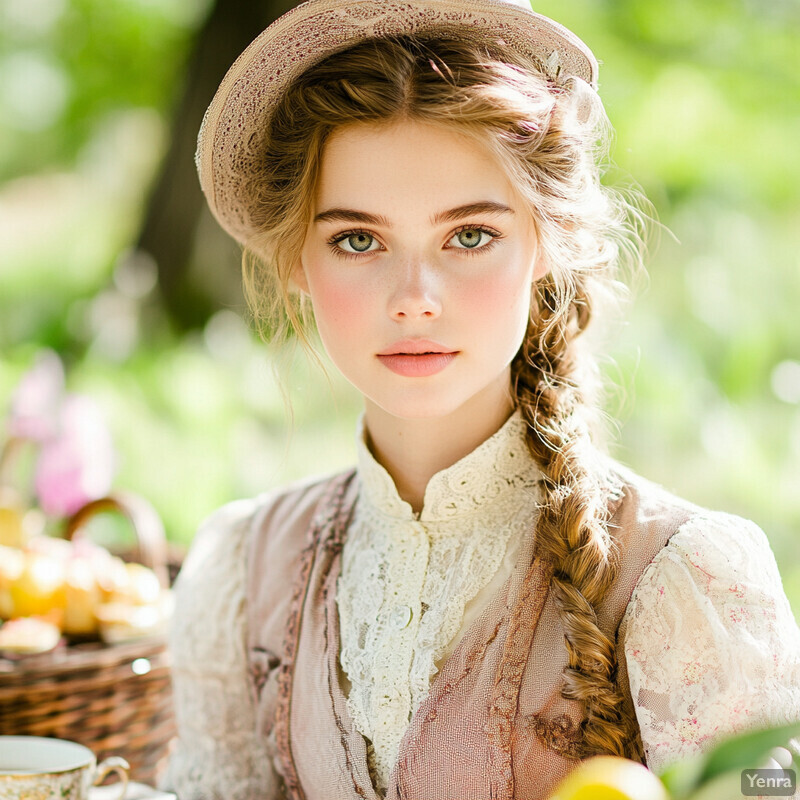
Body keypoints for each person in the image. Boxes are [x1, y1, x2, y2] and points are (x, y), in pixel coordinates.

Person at [160, 0, 800, 797]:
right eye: (358, 239)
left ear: (544, 241)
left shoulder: (682, 581)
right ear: (297, 261)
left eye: (469, 235)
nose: (415, 297)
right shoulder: (243, 571)